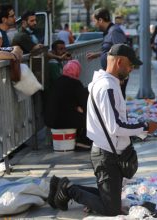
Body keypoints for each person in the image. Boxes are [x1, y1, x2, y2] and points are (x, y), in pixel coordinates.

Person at [48, 44, 148, 215]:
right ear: (119, 62)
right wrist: (144, 126)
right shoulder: (108, 87)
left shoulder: (105, 82)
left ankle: (61, 185)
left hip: (107, 151)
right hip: (107, 155)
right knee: (111, 209)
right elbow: (115, 126)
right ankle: (68, 189)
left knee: (110, 199)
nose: (131, 69)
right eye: (130, 65)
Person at [45, 60, 91, 150]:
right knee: (91, 115)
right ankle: (83, 140)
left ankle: (75, 138)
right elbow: (86, 104)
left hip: (51, 120)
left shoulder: (57, 82)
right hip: (65, 122)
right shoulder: (76, 84)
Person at [86, 8, 129, 99]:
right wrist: (98, 54)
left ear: (100, 20)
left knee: (117, 102)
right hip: (113, 75)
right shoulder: (110, 31)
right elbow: (112, 50)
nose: (94, 24)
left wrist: (121, 76)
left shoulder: (114, 31)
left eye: (95, 21)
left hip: (117, 76)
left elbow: (122, 52)